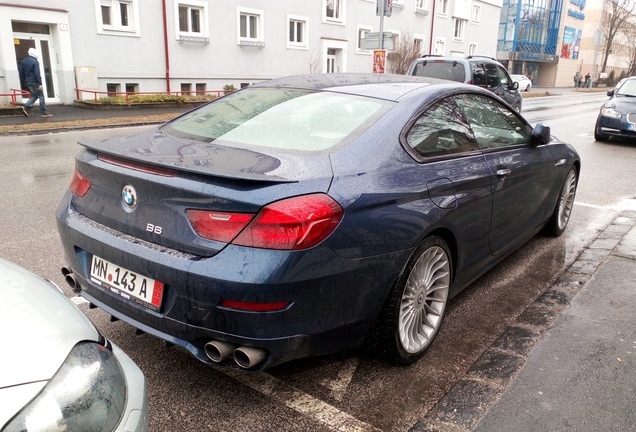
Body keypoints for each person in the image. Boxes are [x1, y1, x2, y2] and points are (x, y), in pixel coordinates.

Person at [20, 48, 52, 118]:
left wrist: (25, 80)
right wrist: (40, 83)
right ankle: (44, 112)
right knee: (41, 96)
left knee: (34, 95)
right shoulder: (35, 62)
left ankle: (25, 107)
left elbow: (21, 72)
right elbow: (37, 73)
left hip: (28, 81)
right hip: (35, 81)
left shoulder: (24, 61)